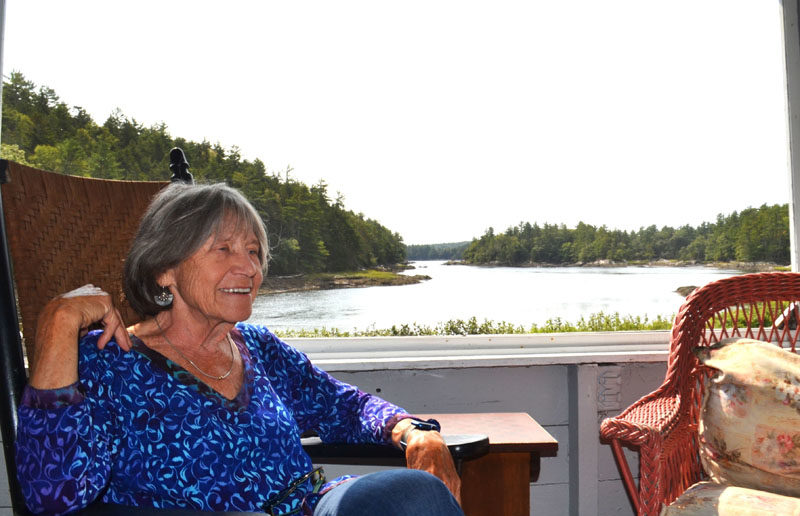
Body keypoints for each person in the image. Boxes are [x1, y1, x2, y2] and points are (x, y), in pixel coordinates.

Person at [15, 182, 463, 516]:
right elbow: (50, 495)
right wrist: (57, 325)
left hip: (312, 506)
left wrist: (413, 430)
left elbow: (344, 406)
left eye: (253, 251)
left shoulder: (258, 348)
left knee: (416, 495)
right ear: (164, 269)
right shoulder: (108, 359)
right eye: (223, 248)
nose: (248, 266)